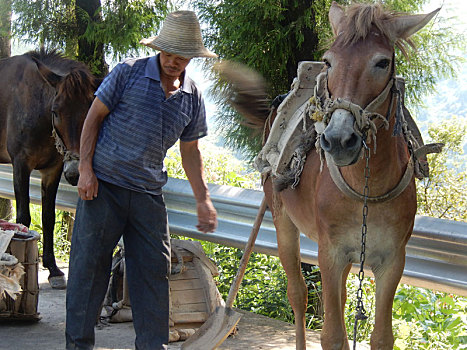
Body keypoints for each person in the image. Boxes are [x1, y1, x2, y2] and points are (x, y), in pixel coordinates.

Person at [65, 10, 218, 350]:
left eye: (182, 55)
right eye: (169, 52)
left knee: (154, 274)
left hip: (148, 195)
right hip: (104, 187)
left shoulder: (192, 97)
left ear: (192, 56)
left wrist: (203, 198)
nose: (174, 60)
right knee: (88, 272)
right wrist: (86, 169)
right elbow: (93, 119)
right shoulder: (128, 73)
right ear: (159, 48)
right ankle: (77, 346)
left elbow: (190, 152)